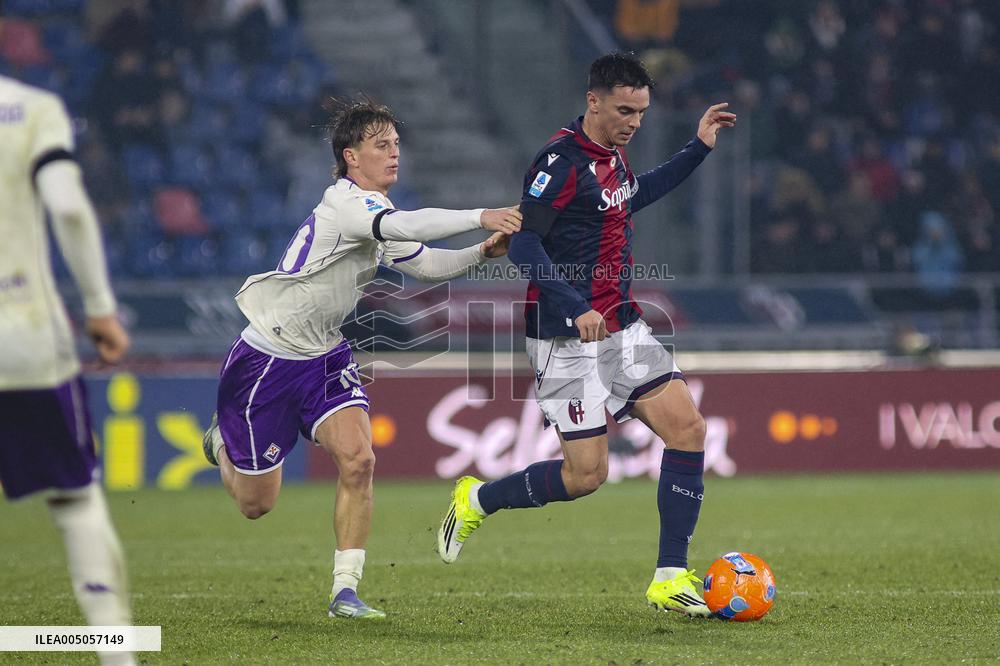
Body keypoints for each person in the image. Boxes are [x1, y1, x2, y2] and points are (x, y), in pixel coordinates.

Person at [436, 53, 736, 617]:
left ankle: (670, 576)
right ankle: (477, 497)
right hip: (562, 336)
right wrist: (575, 309)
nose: (634, 122)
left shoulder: (614, 158)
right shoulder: (559, 162)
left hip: (620, 326)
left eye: (642, 113)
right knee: (586, 475)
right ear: (592, 100)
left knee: (688, 429)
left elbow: (634, 197)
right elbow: (524, 243)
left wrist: (697, 148)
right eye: (625, 110)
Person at [201, 97, 522, 619]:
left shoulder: (378, 218)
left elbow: (426, 266)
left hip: (325, 353)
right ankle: (221, 444)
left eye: (397, 144)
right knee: (256, 504)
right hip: (267, 359)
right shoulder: (348, 206)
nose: (394, 154)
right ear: (351, 156)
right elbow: (409, 228)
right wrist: (478, 215)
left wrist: (479, 251)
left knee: (360, 460)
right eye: (381, 145)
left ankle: (344, 591)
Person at [0, 75, 135, 665]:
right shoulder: (30, 109)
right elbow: (68, 208)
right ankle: (115, 653)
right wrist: (100, 308)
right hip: (22, 331)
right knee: (75, 499)